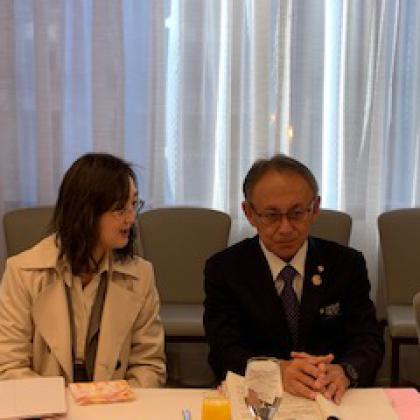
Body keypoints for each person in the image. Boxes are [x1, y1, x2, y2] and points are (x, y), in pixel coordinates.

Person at [204, 154, 384, 403]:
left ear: (315, 208)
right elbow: (224, 351)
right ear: (249, 213)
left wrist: (344, 371)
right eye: (272, 216)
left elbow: (368, 340)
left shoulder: (346, 264)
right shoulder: (225, 269)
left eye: (297, 213)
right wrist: (275, 371)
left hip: (329, 397)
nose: (286, 228)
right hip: (258, 400)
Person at [0, 153, 166, 387]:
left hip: (116, 410)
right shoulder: (22, 272)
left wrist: (116, 404)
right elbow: (9, 365)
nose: (131, 218)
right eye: (120, 209)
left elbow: (149, 365)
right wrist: (57, 404)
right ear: (85, 211)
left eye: (133, 204)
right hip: (46, 409)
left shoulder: (141, 275)